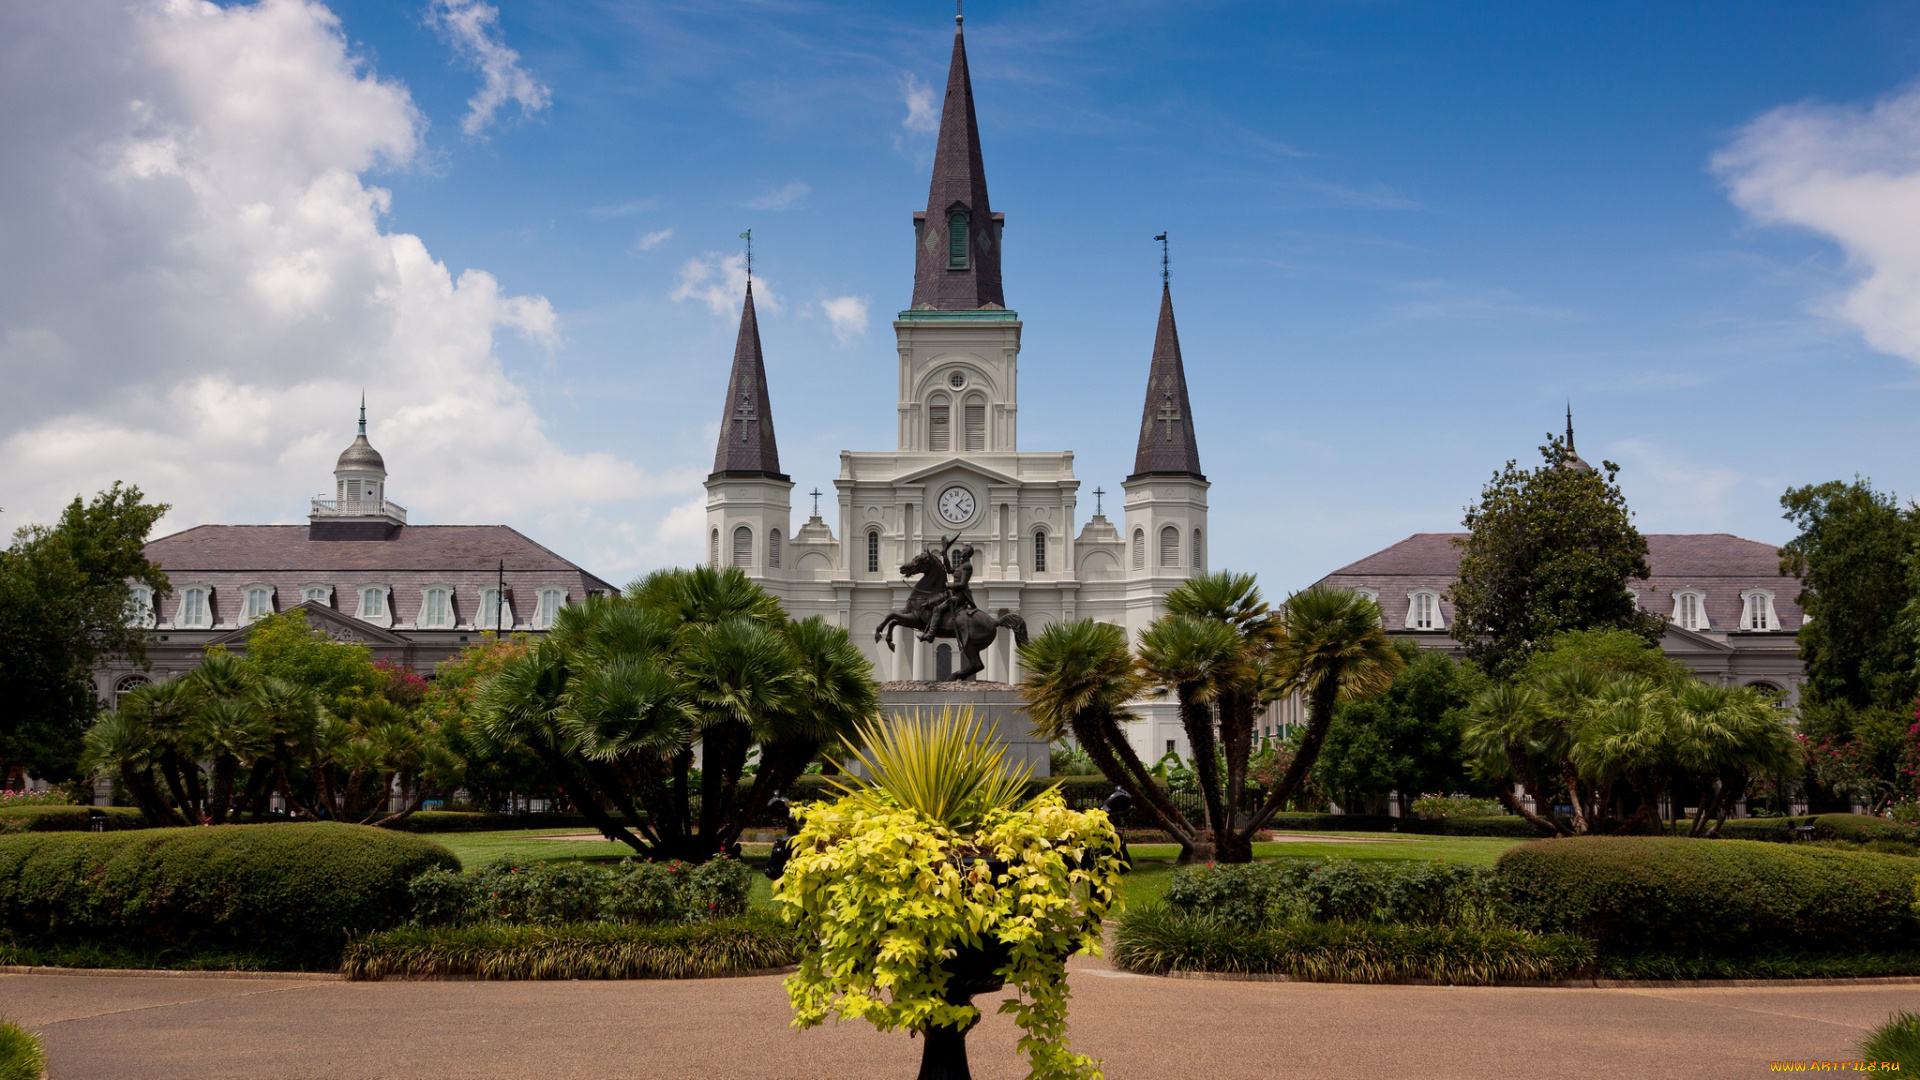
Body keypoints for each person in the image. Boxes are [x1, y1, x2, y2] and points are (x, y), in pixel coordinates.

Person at [919, 540, 977, 643]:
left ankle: (930, 635)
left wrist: (949, 585)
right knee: (931, 601)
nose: (962, 551)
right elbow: (949, 570)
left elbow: (963, 584)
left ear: (967, 553)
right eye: (963, 550)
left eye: (964, 550)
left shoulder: (967, 566)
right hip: (953, 592)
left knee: (938, 608)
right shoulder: (961, 565)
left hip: (961, 595)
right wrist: (945, 556)